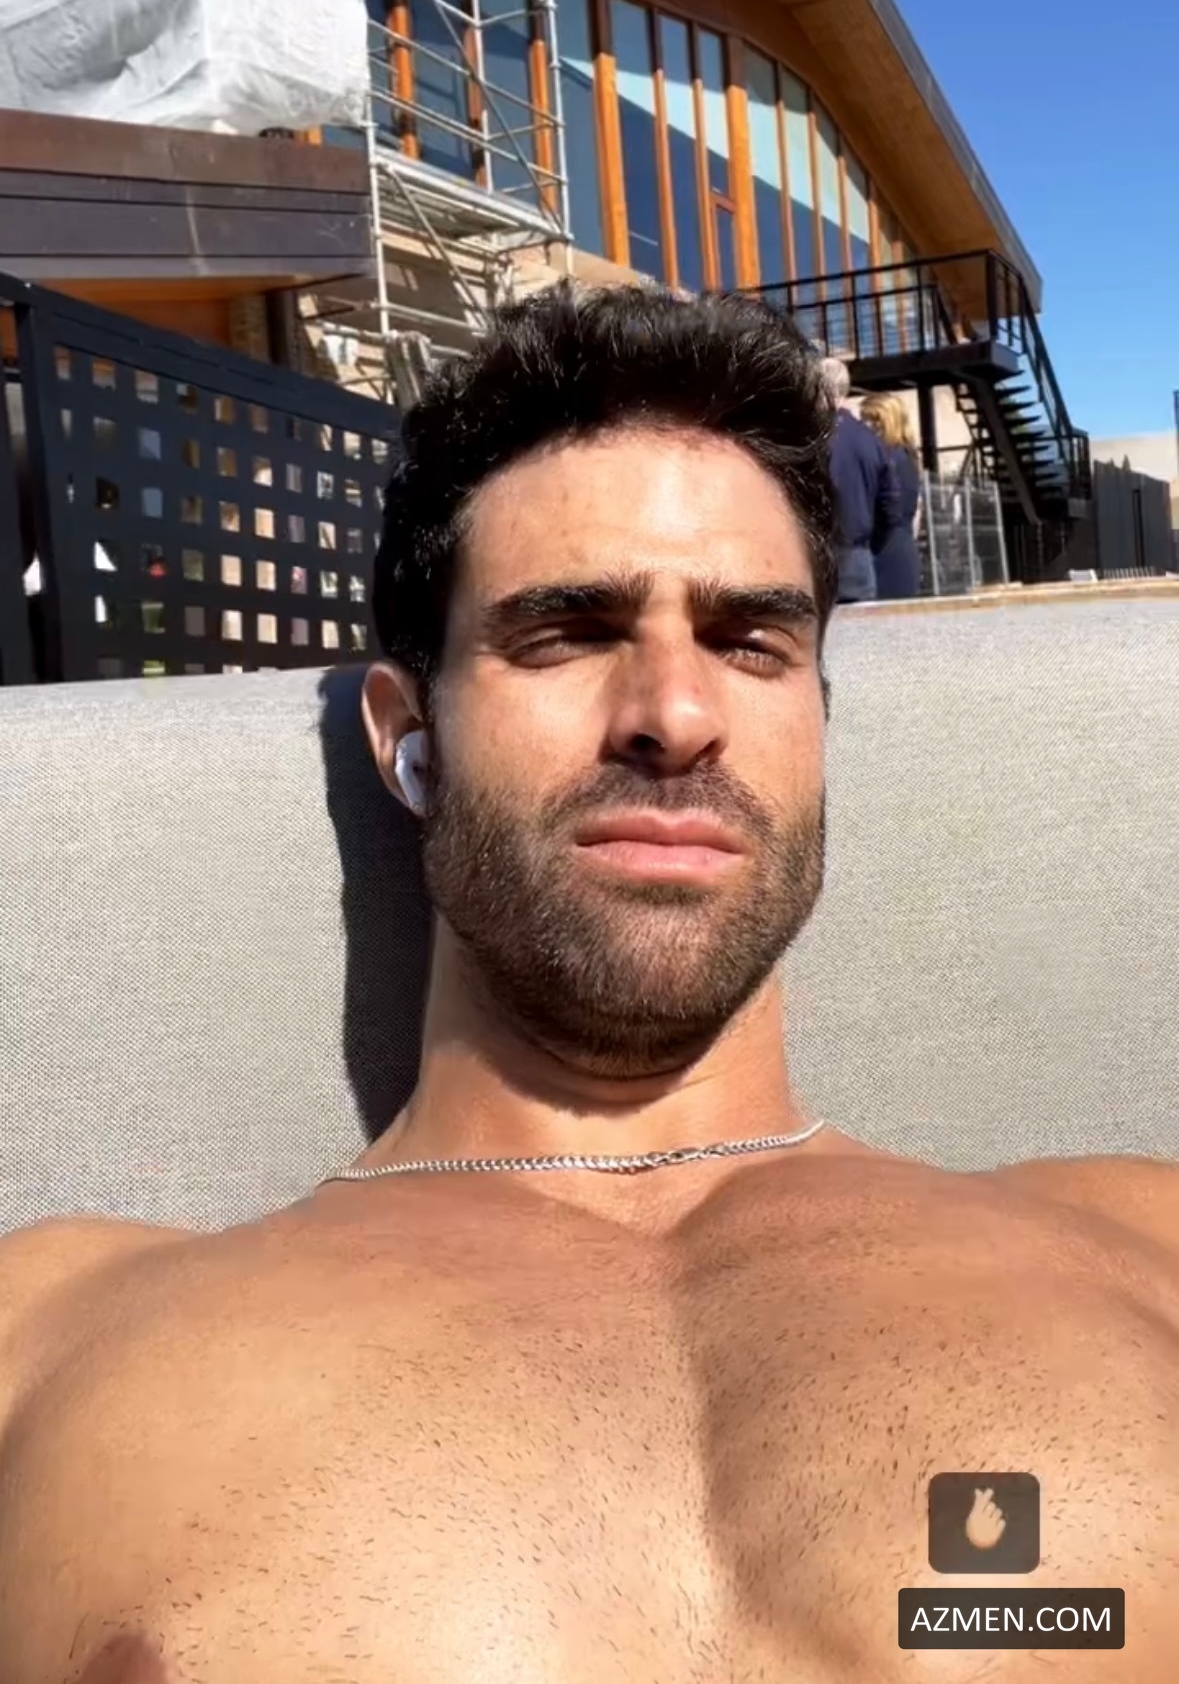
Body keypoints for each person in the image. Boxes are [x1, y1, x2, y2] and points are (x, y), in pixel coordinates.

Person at [0, 283, 1175, 1684]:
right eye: (564, 631)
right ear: (407, 736)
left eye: (750, 640)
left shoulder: (1146, 1249)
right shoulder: (45, 1336)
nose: (674, 715)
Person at [819, 355, 902, 604]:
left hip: (817, 560)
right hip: (859, 559)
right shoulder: (871, 440)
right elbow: (891, 506)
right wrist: (870, 546)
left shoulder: (807, 439)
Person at [858, 390, 923, 600]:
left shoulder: (889, 461)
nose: (865, 426)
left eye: (871, 420)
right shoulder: (907, 457)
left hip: (885, 551)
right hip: (902, 548)